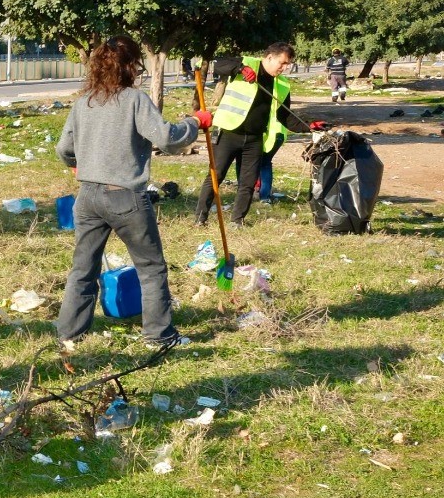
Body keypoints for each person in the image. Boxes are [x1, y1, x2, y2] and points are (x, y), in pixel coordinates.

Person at [55, 36, 204, 349]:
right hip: (125, 197)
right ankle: (159, 336)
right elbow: (166, 138)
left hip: (88, 197)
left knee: (83, 268)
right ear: (131, 66)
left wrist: (79, 165)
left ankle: (69, 334)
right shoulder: (134, 100)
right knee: (151, 269)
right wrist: (194, 122)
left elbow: (64, 149)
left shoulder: (84, 102)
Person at [197, 42, 322, 225]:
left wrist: (310, 125)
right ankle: (200, 218)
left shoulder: (282, 85)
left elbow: (285, 116)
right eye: (282, 63)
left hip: (255, 139)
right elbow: (220, 65)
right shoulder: (248, 63)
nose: (284, 68)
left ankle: (237, 221)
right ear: (270, 57)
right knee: (216, 176)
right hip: (230, 132)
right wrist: (240, 68)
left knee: (247, 183)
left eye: (287, 64)